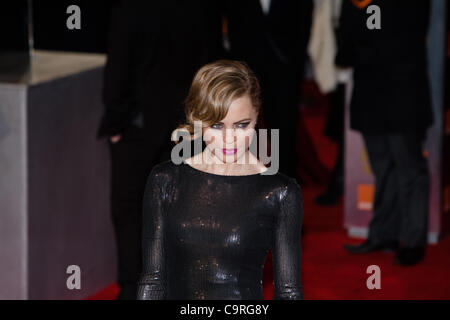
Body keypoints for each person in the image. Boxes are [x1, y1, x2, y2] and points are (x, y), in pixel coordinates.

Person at [137, 60, 304, 299]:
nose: (229, 139)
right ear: (197, 119)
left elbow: (289, 292)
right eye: (216, 125)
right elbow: (153, 280)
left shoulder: (279, 192)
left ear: (256, 116)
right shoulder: (165, 180)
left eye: (241, 125)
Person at [97, 0, 223, 299]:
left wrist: (115, 122)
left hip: (138, 130)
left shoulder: (129, 8)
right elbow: (211, 64)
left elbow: (119, 66)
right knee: (182, 210)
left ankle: (133, 289)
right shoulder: (200, 7)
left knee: (131, 210)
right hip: (186, 128)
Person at [338, 0, 433, 266]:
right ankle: (384, 234)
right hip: (369, 94)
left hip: (403, 94)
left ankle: (414, 240)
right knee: (382, 168)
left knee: (409, 169)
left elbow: (406, 36)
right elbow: (346, 41)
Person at [222, 0, 313, 182]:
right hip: (247, 66)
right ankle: (248, 179)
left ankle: (286, 181)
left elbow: (304, 21)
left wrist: (294, 62)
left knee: (284, 125)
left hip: (284, 66)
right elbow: (232, 22)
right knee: (244, 125)